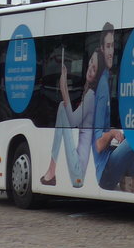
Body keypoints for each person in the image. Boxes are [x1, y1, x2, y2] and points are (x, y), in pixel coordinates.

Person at [91, 22, 134, 193]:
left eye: (113, 46)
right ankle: (132, 178)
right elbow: (98, 144)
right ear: (101, 49)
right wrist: (113, 133)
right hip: (105, 173)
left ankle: (131, 177)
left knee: (132, 133)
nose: (111, 51)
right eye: (108, 46)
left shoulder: (106, 78)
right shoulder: (101, 89)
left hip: (108, 167)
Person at [39, 49, 100, 188]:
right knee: (62, 106)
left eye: (94, 68)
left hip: (77, 172)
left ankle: (51, 170)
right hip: (77, 168)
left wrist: (63, 87)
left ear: (97, 75)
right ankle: (51, 170)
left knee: (62, 106)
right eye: (90, 63)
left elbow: (72, 122)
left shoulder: (91, 95)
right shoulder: (90, 93)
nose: (90, 69)